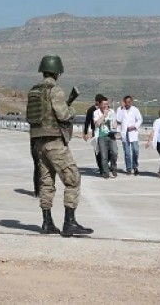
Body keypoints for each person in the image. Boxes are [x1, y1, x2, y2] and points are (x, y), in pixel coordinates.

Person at [26, 54, 93, 237]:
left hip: (38, 142)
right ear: (57, 72)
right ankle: (69, 222)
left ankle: (47, 222)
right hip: (55, 141)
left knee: (46, 182)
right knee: (73, 178)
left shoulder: (33, 91)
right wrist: (71, 109)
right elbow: (63, 115)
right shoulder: (55, 90)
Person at [116, 95, 143, 175]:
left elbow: (140, 119)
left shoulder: (135, 110)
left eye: (129, 102)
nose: (127, 104)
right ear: (124, 102)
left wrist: (134, 126)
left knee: (135, 150)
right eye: (126, 102)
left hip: (133, 132)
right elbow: (118, 120)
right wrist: (122, 109)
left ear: (131, 102)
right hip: (124, 133)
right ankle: (128, 168)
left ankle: (135, 166)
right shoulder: (120, 109)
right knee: (127, 153)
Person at [93, 96, 118, 179]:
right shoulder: (96, 113)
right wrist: (104, 114)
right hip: (101, 137)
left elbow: (114, 122)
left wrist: (115, 125)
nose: (106, 106)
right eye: (104, 104)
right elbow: (97, 123)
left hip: (111, 135)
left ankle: (113, 168)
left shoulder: (112, 111)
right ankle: (105, 172)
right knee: (104, 156)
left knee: (114, 153)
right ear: (99, 104)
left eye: (107, 104)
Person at [83, 94, 105, 174]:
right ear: (96, 102)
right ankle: (101, 167)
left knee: (106, 149)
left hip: (104, 131)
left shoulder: (105, 109)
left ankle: (104, 165)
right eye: (99, 102)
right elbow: (87, 122)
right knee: (97, 150)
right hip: (95, 131)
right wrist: (85, 133)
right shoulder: (91, 110)